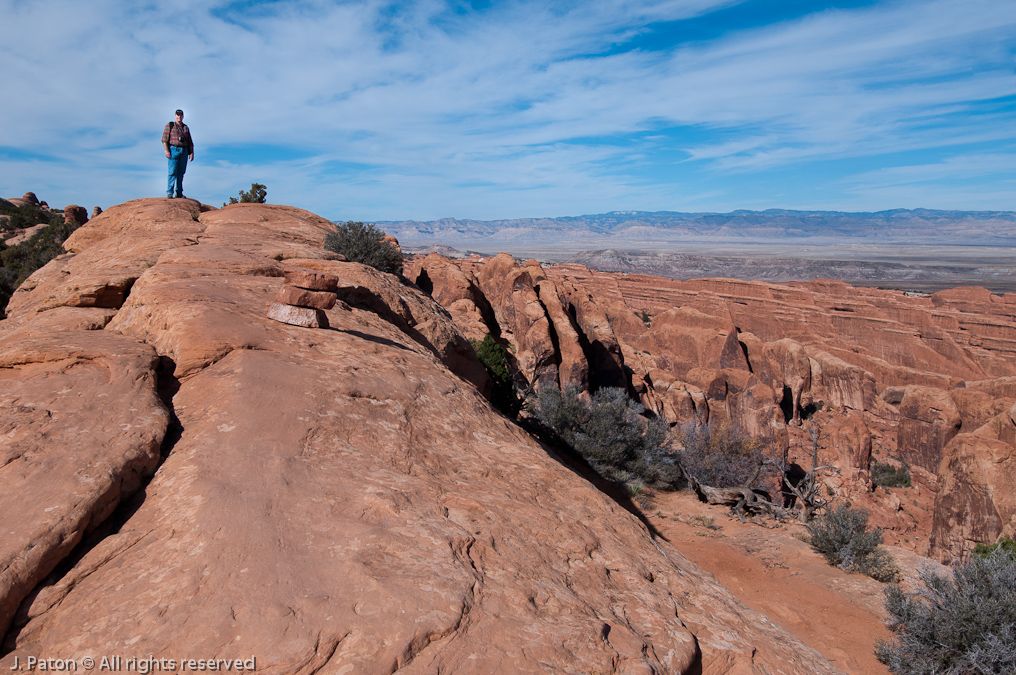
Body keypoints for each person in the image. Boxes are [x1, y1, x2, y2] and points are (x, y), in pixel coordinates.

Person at [162, 109, 194, 199]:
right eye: (177, 115)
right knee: (172, 172)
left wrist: (191, 153)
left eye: (180, 115)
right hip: (173, 149)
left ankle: (179, 193)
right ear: (175, 116)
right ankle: (169, 192)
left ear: (183, 116)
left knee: (181, 173)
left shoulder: (186, 127)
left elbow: (190, 142)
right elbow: (164, 139)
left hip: (184, 151)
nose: (179, 117)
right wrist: (166, 150)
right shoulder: (170, 125)